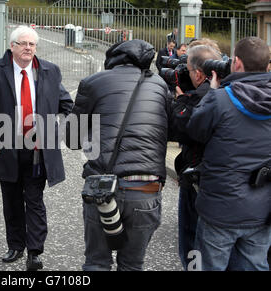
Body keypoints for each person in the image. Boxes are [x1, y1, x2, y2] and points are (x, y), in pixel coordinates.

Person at [0, 26, 73, 271]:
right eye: (23, 43)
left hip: (39, 150)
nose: (28, 48)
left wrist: (57, 132)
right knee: (12, 201)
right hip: (7, 147)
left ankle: (35, 251)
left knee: (35, 200)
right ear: (13, 46)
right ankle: (15, 245)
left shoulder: (49, 71)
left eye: (32, 44)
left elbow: (67, 104)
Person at [67, 39, 171, 271]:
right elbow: (170, 130)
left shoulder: (93, 83)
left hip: (104, 186)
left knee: (97, 261)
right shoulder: (160, 86)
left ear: (113, 57)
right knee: (133, 264)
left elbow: (72, 139)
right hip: (146, 189)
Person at [187, 36, 271, 270]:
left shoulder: (221, 99)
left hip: (219, 209)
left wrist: (212, 93)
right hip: (262, 208)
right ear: (267, 66)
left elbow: (195, 131)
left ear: (236, 63)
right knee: (255, 265)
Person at [168, 44, 222, 270]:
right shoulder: (235, 93)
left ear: (198, 73)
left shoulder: (203, 99)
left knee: (192, 240)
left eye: (188, 71)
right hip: (231, 184)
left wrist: (181, 101)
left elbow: (181, 129)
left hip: (198, 178)